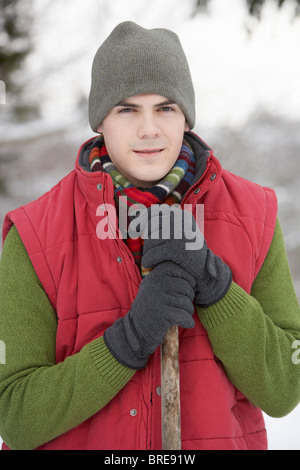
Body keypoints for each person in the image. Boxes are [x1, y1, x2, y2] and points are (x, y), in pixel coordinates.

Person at [0, 21, 299, 451]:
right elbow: (16, 417)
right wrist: (131, 339)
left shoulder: (254, 215)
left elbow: (285, 388)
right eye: (127, 109)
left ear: (185, 117)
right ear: (100, 119)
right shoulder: (35, 235)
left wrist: (216, 287)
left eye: (165, 108)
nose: (149, 129)